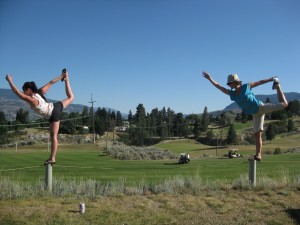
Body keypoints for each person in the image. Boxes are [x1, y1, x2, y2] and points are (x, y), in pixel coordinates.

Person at [202, 71, 288, 161]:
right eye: (229, 84)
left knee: (284, 104)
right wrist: (209, 78)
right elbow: (219, 87)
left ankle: (277, 86)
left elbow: (259, 82)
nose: (229, 85)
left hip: (261, 107)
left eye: (230, 83)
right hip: (256, 115)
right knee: (257, 134)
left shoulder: (246, 87)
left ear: (235, 82)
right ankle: (258, 155)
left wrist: (271, 79)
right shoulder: (232, 94)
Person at [6, 69, 74, 164]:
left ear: (28, 90)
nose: (23, 93)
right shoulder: (39, 92)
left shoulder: (32, 99)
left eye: (24, 91)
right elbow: (51, 82)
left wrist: (9, 80)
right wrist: (62, 76)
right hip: (55, 107)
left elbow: (16, 92)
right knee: (71, 97)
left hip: (53, 113)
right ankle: (67, 80)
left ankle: (52, 158)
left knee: (53, 136)